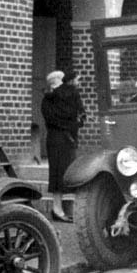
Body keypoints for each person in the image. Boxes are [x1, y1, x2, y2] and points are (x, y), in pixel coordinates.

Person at [41, 70, 85, 222]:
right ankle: (57, 209)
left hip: (60, 139)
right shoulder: (53, 100)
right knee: (59, 174)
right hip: (59, 139)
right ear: (56, 83)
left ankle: (58, 208)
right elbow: (59, 120)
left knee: (62, 174)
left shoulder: (51, 100)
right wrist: (76, 123)